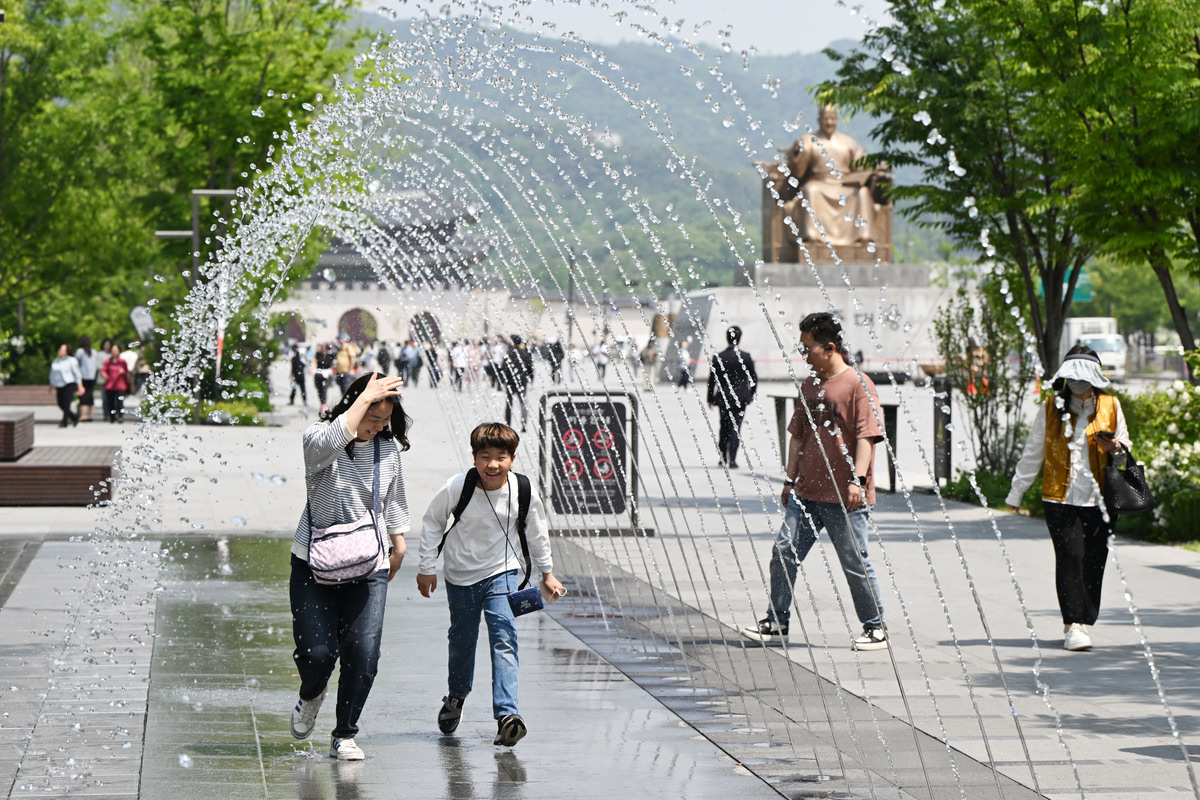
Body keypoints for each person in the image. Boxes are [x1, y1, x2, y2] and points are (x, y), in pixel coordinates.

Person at [742, 312, 888, 651]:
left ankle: (875, 627)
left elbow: (868, 437)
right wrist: (789, 480)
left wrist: (858, 480)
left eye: (807, 349)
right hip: (806, 492)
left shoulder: (858, 385)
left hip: (846, 496)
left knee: (854, 561)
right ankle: (776, 621)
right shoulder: (809, 385)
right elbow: (797, 437)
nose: (803, 355)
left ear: (830, 347)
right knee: (783, 551)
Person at [416, 422, 565, 748]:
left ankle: (507, 716)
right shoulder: (457, 487)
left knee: (504, 637)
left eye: (501, 457)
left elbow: (537, 532)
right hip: (461, 577)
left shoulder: (522, 490)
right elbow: (432, 523)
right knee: (462, 640)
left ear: (512, 459)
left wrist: (547, 573)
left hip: (504, 573)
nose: (492, 465)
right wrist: (426, 567)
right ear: (474, 458)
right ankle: (456, 697)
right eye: (485, 457)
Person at [288, 371, 410, 761]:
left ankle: (344, 733)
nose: (376, 428)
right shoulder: (319, 439)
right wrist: (363, 401)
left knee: (364, 651)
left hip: (369, 561)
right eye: (371, 419)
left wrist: (400, 544)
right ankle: (311, 693)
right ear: (353, 407)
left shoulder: (386, 450)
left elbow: (393, 497)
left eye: (383, 421)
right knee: (317, 652)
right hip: (314, 561)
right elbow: (329, 439)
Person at [1006, 346, 1131, 652]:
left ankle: (1082, 620)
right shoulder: (1051, 406)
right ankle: (1074, 624)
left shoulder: (1111, 406)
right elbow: (1034, 450)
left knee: (1094, 561)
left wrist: (1113, 446)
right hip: (1059, 499)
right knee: (1070, 557)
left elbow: (1125, 449)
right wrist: (1017, 491)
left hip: (1100, 499)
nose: (1077, 384)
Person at [706, 326, 758, 469]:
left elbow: (712, 380)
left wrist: (710, 398)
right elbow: (753, 378)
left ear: (726, 338)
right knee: (736, 428)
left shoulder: (719, 357)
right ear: (739, 339)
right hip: (741, 398)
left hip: (723, 398)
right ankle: (733, 460)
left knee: (724, 426)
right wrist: (751, 395)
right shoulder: (746, 357)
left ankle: (723, 457)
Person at [499, 335, 534, 432]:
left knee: (509, 404)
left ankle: (507, 425)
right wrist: (531, 378)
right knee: (523, 403)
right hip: (522, 382)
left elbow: (504, 368)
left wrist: (503, 380)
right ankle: (524, 425)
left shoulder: (509, 353)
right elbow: (530, 368)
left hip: (510, 382)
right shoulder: (525, 353)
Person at [49, 344, 83, 428]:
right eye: (59, 349)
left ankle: (64, 422)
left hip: (69, 384)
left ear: (66, 351)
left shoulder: (71, 360)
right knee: (61, 403)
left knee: (67, 403)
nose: (60, 351)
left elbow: (77, 374)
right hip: (59, 385)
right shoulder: (56, 361)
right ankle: (75, 417)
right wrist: (51, 384)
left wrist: (80, 386)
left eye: (62, 349)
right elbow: (52, 374)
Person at [100, 343, 131, 423]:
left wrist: (123, 372)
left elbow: (126, 372)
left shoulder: (122, 362)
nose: (114, 352)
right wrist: (104, 374)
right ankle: (112, 416)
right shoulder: (108, 361)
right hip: (110, 384)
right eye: (113, 350)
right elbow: (103, 370)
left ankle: (120, 415)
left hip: (120, 384)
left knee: (119, 401)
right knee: (110, 401)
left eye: (116, 350)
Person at [74, 336, 99, 422]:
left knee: (83, 396)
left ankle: (83, 415)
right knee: (90, 396)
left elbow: (76, 363)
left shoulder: (80, 351)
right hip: (92, 376)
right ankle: (90, 415)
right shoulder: (94, 352)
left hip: (82, 376)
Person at [313, 343, 335, 413]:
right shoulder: (318, 354)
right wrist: (311, 368)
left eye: (325, 347)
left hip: (326, 374)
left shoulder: (330, 355)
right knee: (319, 390)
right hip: (319, 374)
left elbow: (332, 364)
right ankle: (322, 403)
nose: (323, 348)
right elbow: (314, 361)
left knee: (324, 389)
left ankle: (324, 404)